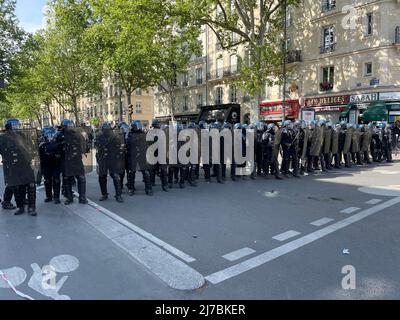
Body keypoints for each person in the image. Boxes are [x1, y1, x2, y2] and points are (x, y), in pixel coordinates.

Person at [0, 119, 39, 216]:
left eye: (17, 125)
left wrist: (33, 155)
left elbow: (30, 147)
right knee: (17, 186)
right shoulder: (3, 138)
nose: (17, 127)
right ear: (9, 126)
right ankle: (20, 207)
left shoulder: (22, 135)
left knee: (31, 185)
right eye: (15, 126)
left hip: (25, 164)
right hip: (12, 166)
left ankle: (31, 207)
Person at [51, 119, 89, 205]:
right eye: (68, 126)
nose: (70, 128)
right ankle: (69, 198)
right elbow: (52, 147)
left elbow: (85, 147)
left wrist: (85, 143)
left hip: (76, 159)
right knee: (67, 179)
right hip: (65, 160)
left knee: (81, 178)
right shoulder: (59, 135)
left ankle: (82, 197)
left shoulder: (78, 135)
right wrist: (61, 144)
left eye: (71, 126)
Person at [94, 122, 125, 202]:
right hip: (103, 158)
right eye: (104, 130)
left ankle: (118, 195)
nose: (106, 131)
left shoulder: (115, 137)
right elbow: (97, 145)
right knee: (102, 177)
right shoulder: (99, 137)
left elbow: (119, 147)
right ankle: (104, 194)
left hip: (112, 158)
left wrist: (117, 156)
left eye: (107, 130)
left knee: (116, 176)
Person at [126, 120, 153, 196]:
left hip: (141, 155)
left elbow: (148, 144)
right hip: (133, 155)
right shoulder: (130, 135)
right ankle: (131, 188)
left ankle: (148, 189)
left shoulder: (143, 134)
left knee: (146, 172)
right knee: (131, 173)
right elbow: (128, 145)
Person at [39, 127, 61, 204]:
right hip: (46, 165)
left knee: (56, 181)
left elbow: (60, 154)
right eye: (47, 135)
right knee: (47, 181)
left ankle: (56, 197)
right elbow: (39, 157)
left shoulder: (57, 143)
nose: (49, 136)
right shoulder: (41, 145)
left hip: (55, 165)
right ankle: (49, 196)